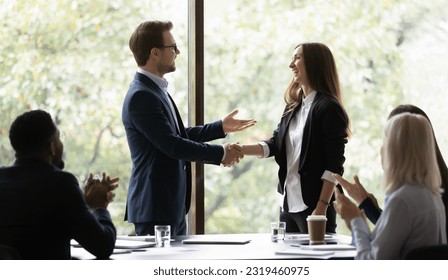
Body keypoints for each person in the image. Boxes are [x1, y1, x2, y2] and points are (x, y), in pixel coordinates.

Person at [122, 20, 256, 236]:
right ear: (155, 53)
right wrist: (221, 153)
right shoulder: (142, 96)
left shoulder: (154, 90)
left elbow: (175, 135)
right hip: (155, 208)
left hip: (169, 207)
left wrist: (219, 127)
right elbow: (173, 145)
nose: (178, 52)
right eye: (172, 47)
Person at [240, 42, 350, 233]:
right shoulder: (293, 106)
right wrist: (240, 150)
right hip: (288, 205)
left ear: (315, 64)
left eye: (297, 58)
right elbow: (275, 144)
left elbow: (334, 166)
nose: (291, 64)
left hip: (314, 209)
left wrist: (321, 209)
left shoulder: (329, 108)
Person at [0, 110, 119, 259]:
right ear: (52, 146)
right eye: (59, 138)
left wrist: (82, 203)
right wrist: (99, 207)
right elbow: (103, 246)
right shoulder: (62, 184)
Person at [336, 104, 448, 243]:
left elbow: (376, 256)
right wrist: (368, 205)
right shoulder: (436, 185)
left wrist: (356, 221)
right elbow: (400, 233)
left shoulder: (409, 195)